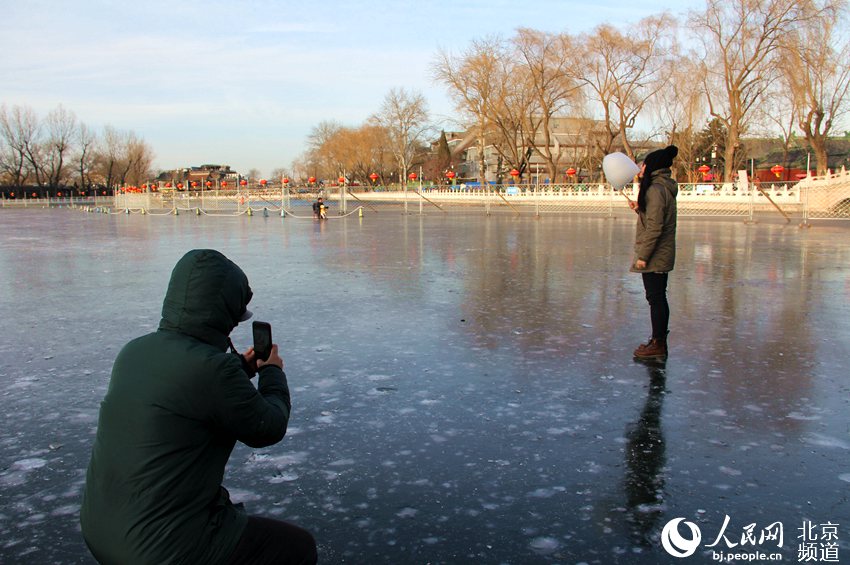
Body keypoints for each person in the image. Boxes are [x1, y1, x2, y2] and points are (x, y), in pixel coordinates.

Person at [80, 249, 317, 565]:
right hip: (159, 549)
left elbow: (184, 386)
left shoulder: (134, 351)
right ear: (224, 313)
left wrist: (241, 367)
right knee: (297, 548)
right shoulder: (213, 371)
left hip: (103, 530)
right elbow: (268, 427)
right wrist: (271, 372)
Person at [628, 145, 679, 359]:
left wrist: (643, 257)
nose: (641, 167)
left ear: (653, 167)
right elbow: (655, 216)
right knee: (657, 297)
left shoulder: (656, 190)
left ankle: (659, 343)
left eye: (645, 163)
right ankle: (658, 339)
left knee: (656, 298)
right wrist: (640, 208)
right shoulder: (662, 187)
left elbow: (655, 227)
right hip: (660, 252)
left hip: (656, 254)